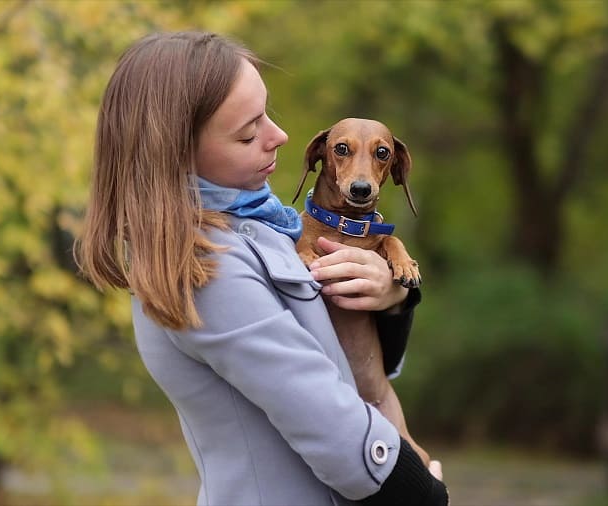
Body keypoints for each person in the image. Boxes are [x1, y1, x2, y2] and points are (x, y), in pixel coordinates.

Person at [75, 31, 448, 505]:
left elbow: (353, 362)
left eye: (267, 114)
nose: (280, 136)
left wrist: (392, 297)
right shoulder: (204, 267)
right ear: (176, 151)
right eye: (249, 132)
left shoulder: (268, 227)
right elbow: (328, 422)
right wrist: (427, 496)